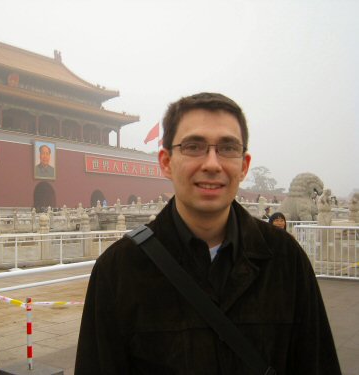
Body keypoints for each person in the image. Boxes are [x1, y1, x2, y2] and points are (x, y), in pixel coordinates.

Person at [75, 92, 341, 374]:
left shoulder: (286, 260)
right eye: (193, 146)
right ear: (166, 161)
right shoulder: (119, 270)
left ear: (244, 165)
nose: (212, 164)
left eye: (227, 148)